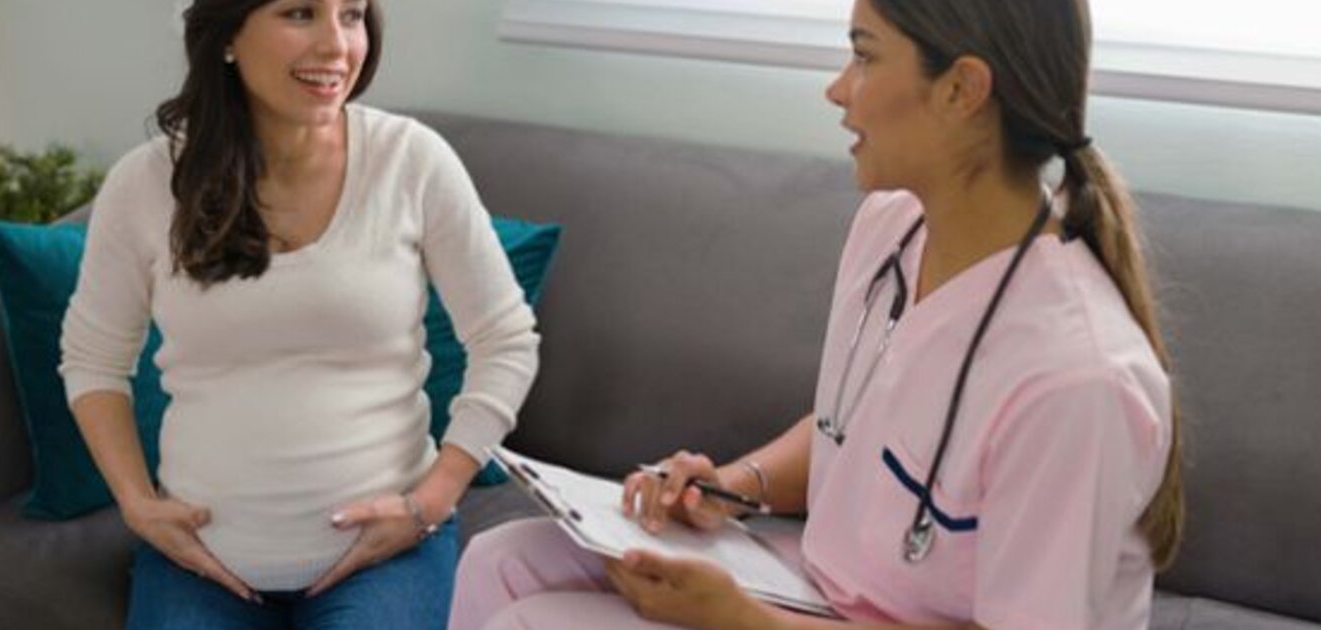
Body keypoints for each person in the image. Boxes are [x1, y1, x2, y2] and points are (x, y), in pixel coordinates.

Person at [450, 0, 1182, 627]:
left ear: (962, 89)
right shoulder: (891, 228)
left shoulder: (1076, 382)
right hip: (822, 588)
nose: (838, 91)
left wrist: (740, 619)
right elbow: (860, 433)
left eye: (864, 58)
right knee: (502, 559)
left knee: (528, 621)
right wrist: (733, 486)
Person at [58, 0, 541, 627]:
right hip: (198, 560)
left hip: (386, 560)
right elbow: (93, 359)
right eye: (301, 13)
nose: (337, 46)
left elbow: (506, 340)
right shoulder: (145, 184)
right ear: (227, 35)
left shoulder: (412, 161)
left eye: (352, 15)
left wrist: (433, 499)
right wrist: (134, 501)